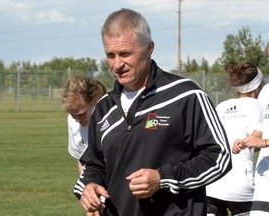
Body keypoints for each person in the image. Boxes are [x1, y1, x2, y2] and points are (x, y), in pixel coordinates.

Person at [73, 9, 232, 216]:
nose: (117, 64)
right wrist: (89, 186)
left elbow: (219, 156)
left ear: (149, 48)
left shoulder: (185, 95)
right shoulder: (104, 107)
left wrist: (162, 178)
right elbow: (94, 165)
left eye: (125, 54)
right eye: (110, 55)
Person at [206, 62, 264, 216]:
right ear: (257, 86)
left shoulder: (222, 106)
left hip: (213, 184)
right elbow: (258, 136)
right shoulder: (258, 106)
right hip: (241, 188)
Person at [232, 37, 269, 215]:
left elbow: (263, 140)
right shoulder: (267, 91)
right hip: (265, 185)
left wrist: (263, 143)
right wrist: (247, 141)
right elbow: (261, 131)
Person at [62, 76, 106, 174]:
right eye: (72, 114)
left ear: (97, 101)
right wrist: (88, 183)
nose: (76, 120)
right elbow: (82, 160)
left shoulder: (116, 117)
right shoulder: (73, 122)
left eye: (82, 114)